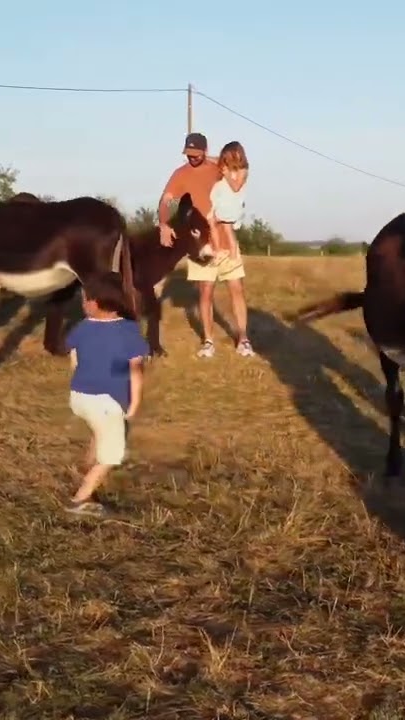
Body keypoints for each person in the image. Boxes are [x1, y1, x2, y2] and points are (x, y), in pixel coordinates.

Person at [157, 132, 254, 359]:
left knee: (236, 289)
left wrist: (213, 159)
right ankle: (208, 341)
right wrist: (163, 223)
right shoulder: (180, 174)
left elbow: (237, 168)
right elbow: (166, 199)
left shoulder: (218, 167)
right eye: (188, 154)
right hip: (200, 244)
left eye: (197, 154)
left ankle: (243, 338)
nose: (192, 158)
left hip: (226, 239)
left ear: (205, 150)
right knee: (205, 292)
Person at [64, 272, 150, 516]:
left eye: (84, 299)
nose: (82, 304)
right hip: (106, 402)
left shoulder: (82, 327)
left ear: (97, 301)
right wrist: (134, 404)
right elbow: (136, 371)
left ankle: (87, 464)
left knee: (98, 430)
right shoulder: (128, 330)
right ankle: (79, 500)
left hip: (79, 396)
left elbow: (74, 358)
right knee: (112, 456)